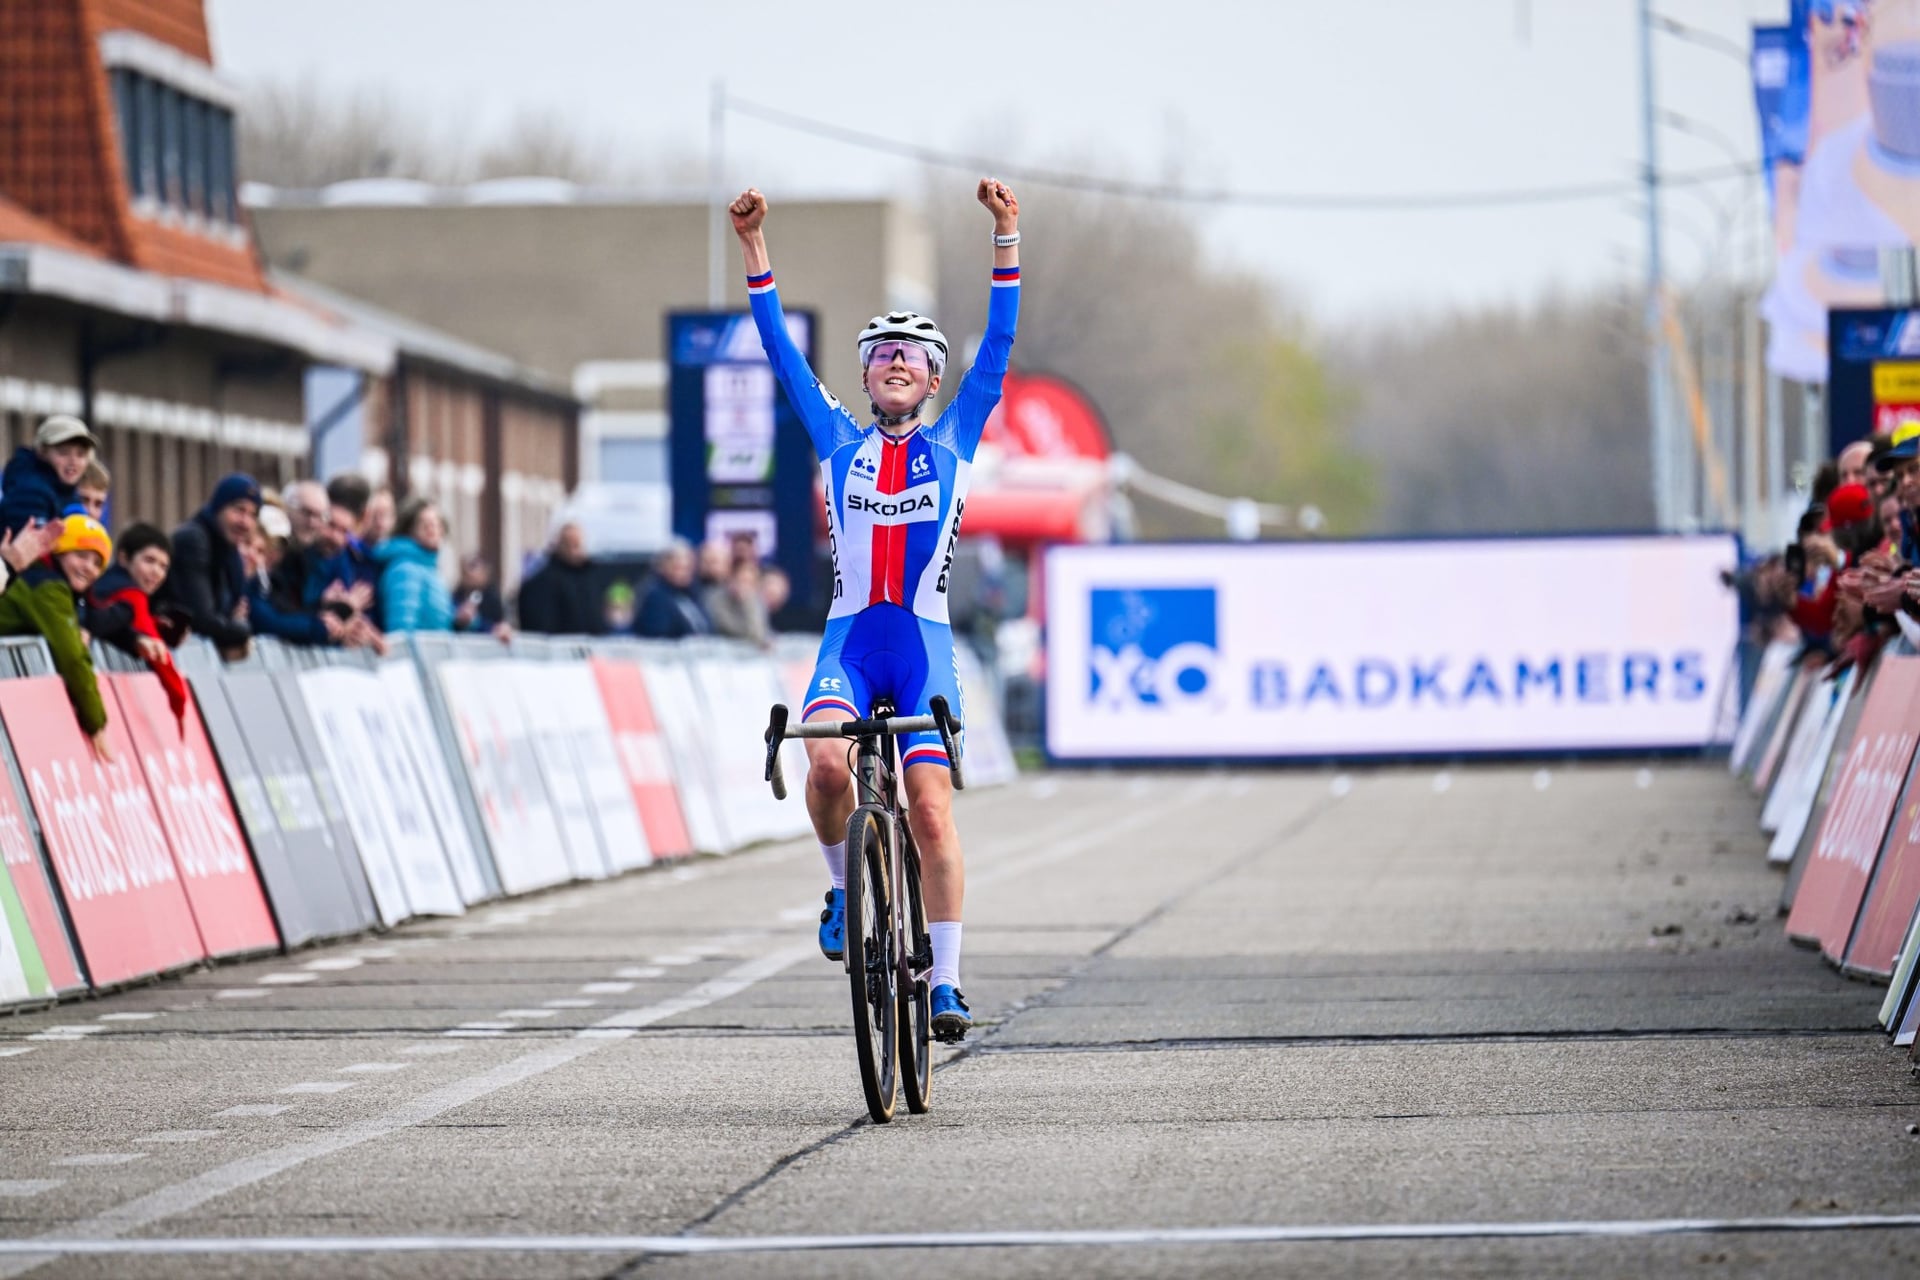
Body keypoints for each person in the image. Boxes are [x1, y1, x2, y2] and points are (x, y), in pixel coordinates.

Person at [732, 176, 1019, 1040]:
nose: (897, 360)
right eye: (882, 352)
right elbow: (782, 354)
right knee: (823, 761)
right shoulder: (837, 440)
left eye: (913, 355)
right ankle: (838, 887)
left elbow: (1000, 344)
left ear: (933, 379)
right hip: (850, 645)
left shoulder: (956, 438)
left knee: (929, 808)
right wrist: (754, 249)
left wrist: (1006, 233)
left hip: (921, 649)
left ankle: (947, 982)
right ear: (864, 375)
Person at [0, 515, 113, 759]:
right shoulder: (48, 588)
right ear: (59, 552)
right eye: (81, 556)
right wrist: (96, 722)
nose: (89, 568)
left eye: (97, 563)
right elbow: (72, 657)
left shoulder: (51, 584)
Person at [84, 522, 190, 728]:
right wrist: (180, 704)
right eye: (149, 560)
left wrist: (156, 627)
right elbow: (159, 655)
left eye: (163, 566)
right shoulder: (132, 596)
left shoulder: (107, 585)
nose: (156, 572)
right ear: (124, 558)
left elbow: (113, 624)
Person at [161, 473, 260, 659]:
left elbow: (235, 610)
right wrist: (239, 630)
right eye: (239, 510)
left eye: (253, 515)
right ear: (218, 507)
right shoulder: (194, 540)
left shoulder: (230, 551)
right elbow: (202, 618)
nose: (245, 522)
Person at [1, 415, 95, 537]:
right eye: (64, 452)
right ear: (42, 452)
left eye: (81, 454)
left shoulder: (63, 489)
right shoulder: (31, 492)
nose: (73, 461)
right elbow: (31, 552)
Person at [375, 497, 457, 633]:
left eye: (437, 524)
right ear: (409, 529)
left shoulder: (430, 569)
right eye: (425, 525)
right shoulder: (405, 570)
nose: (433, 530)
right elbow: (401, 627)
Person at [516, 522, 604, 635]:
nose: (577, 551)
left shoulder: (590, 578)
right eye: (572, 545)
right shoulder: (543, 582)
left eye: (579, 545)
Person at [633, 539, 713, 639]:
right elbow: (658, 634)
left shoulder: (692, 593)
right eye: (679, 568)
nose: (685, 573)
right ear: (663, 566)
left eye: (688, 568)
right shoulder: (656, 597)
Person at [705, 555, 770, 647]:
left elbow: (761, 632)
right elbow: (737, 632)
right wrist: (747, 604)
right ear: (731, 578)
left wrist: (748, 602)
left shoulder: (755, 600)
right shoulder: (715, 599)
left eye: (750, 583)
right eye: (742, 580)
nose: (745, 587)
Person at [453, 553, 507, 633]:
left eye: (474, 567)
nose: (470, 573)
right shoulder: (458, 595)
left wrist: (476, 622)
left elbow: (497, 624)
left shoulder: (492, 598)